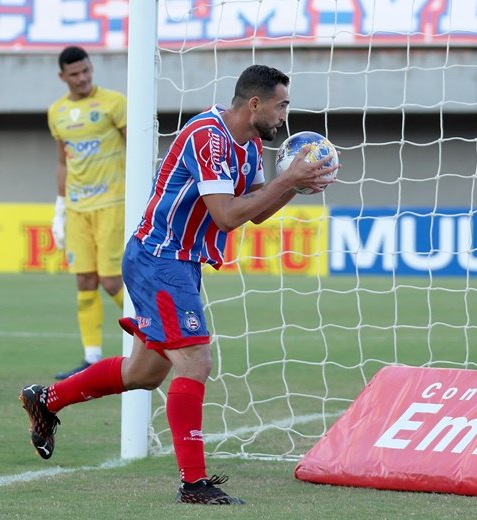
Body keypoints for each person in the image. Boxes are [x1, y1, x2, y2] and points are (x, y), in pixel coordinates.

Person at [20, 64, 338, 505]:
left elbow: (257, 210)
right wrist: (289, 179)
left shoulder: (246, 148)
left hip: (179, 264)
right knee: (195, 362)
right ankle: (194, 484)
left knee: (143, 374)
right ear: (255, 104)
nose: (285, 115)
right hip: (160, 258)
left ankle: (46, 400)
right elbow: (227, 216)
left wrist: (294, 186)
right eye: (282, 105)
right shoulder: (207, 135)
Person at [48, 46, 128, 380]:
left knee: (111, 280)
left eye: (86, 71)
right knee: (84, 279)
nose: (83, 78)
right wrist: (60, 207)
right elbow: (63, 161)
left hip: (112, 202)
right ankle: (92, 356)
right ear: (62, 77)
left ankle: (159, 334)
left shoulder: (114, 103)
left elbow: (137, 146)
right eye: (75, 74)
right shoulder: (57, 112)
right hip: (78, 208)